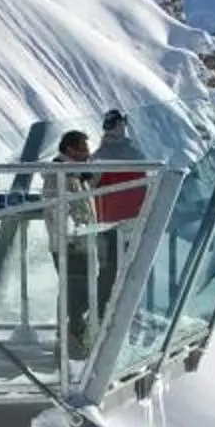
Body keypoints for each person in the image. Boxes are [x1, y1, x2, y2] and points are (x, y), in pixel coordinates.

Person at [43, 127, 96, 356]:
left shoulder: (75, 175)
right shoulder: (60, 175)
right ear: (70, 150)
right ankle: (70, 343)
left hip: (78, 242)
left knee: (78, 292)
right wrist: (71, 237)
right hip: (70, 245)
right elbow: (57, 211)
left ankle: (73, 340)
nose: (88, 154)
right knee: (75, 294)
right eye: (83, 149)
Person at [91, 107, 145, 315]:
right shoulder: (124, 155)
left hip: (119, 221)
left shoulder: (102, 155)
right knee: (114, 270)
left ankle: (108, 311)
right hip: (115, 223)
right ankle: (106, 312)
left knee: (113, 270)